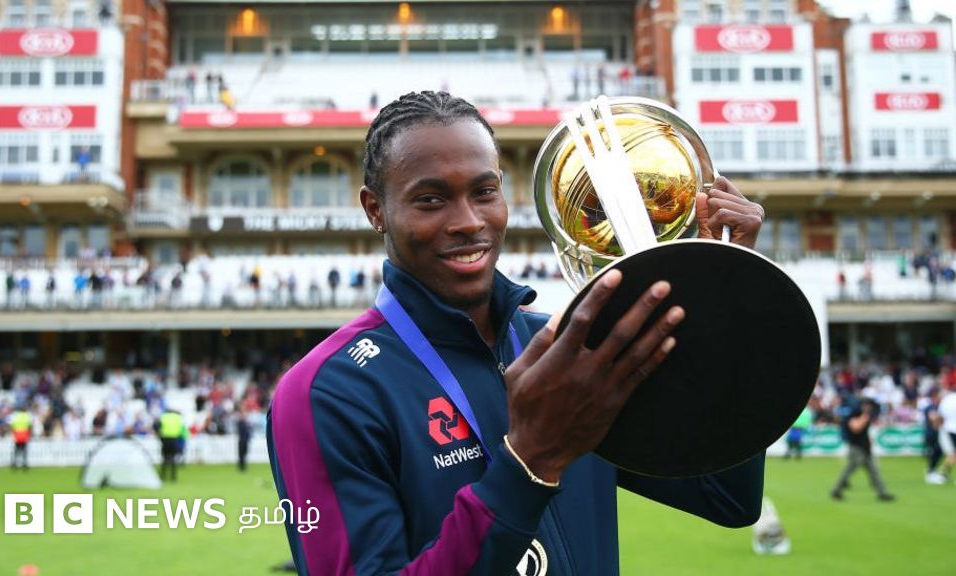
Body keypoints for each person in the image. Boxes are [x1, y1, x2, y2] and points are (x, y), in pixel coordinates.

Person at [267, 91, 766, 575]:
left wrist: (724, 290)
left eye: (484, 192)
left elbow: (725, 493)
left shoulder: (575, 350)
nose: (469, 222)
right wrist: (530, 462)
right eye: (431, 199)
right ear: (375, 209)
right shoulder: (325, 393)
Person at [831, 397, 895, 501]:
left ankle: (883, 493)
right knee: (849, 470)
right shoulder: (854, 414)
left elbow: (865, 432)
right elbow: (855, 428)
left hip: (865, 448)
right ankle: (836, 490)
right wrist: (864, 417)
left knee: (874, 471)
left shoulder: (864, 415)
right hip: (856, 448)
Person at [156, 408, 186, 482]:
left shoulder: (164, 417)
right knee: (173, 458)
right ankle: (173, 477)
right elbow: (181, 429)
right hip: (174, 439)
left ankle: (163, 475)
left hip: (165, 439)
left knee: (165, 458)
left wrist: (159, 434)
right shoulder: (177, 417)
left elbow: (157, 426)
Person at [9, 406, 32, 470]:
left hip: (17, 434)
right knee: (24, 450)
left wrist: (14, 433)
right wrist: (29, 434)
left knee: (16, 450)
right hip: (24, 434)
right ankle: (24, 463)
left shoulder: (15, 415)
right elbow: (29, 426)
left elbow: (12, 425)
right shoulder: (27, 416)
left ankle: (14, 463)